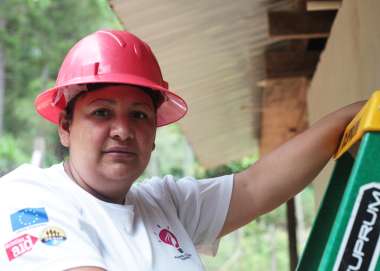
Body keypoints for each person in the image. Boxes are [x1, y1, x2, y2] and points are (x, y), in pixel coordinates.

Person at [0, 29, 364, 271]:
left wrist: (359, 114)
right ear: (65, 127)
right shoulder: (28, 198)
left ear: (154, 135)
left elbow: (256, 186)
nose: (123, 131)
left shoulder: (164, 205)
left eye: (139, 115)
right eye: (102, 112)